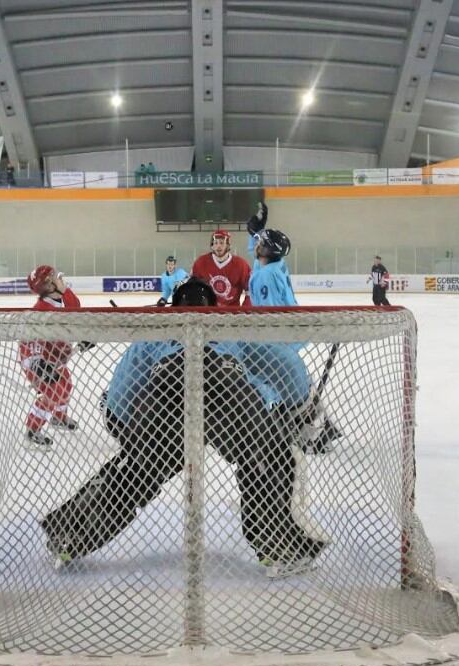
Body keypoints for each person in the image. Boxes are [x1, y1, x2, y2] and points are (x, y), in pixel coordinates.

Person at [41, 278, 327, 577]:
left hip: (165, 386)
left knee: (134, 473)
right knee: (263, 457)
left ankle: (69, 532)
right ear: (214, 305)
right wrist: (301, 408)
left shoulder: (155, 333)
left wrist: (130, 438)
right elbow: (285, 365)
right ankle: (281, 544)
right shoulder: (230, 327)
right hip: (225, 383)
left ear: (174, 304)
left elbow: (122, 393)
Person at [251, 228, 342, 454]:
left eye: (259, 243)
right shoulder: (273, 266)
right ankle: (319, 425)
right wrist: (253, 234)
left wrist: (269, 340)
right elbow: (257, 263)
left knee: (270, 379)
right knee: (293, 380)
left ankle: (310, 431)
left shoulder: (267, 275)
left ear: (266, 249)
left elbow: (271, 311)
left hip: (278, 335)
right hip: (290, 332)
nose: (256, 246)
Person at [18, 265, 82, 447]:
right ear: (48, 286)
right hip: (35, 360)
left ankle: (59, 418)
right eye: (54, 277)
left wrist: (82, 339)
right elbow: (29, 339)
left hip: (54, 356)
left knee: (66, 385)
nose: (60, 277)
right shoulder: (41, 310)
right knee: (54, 393)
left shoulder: (58, 302)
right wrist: (37, 363)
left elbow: (76, 309)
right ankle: (33, 429)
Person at [191, 229, 252, 306]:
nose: (218, 246)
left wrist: (244, 310)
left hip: (232, 314)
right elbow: (192, 288)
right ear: (212, 246)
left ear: (228, 245)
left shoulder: (241, 265)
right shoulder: (200, 263)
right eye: (215, 243)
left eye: (222, 243)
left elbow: (250, 291)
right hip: (208, 313)